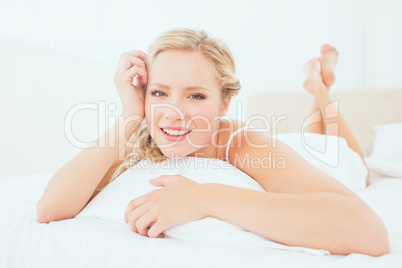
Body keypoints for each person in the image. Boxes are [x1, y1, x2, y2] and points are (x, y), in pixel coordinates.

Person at [37, 28, 388, 256]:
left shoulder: (246, 144)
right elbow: (50, 209)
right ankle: (318, 88)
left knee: (351, 160)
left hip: (325, 165)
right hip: (293, 149)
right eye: (160, 92)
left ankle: (322, 90)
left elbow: (370, 233)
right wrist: (131, 117)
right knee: (311, 139)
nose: (174, 113)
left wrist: (205, 197)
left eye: (196, 96)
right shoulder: (143, 134)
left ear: (224, 103)